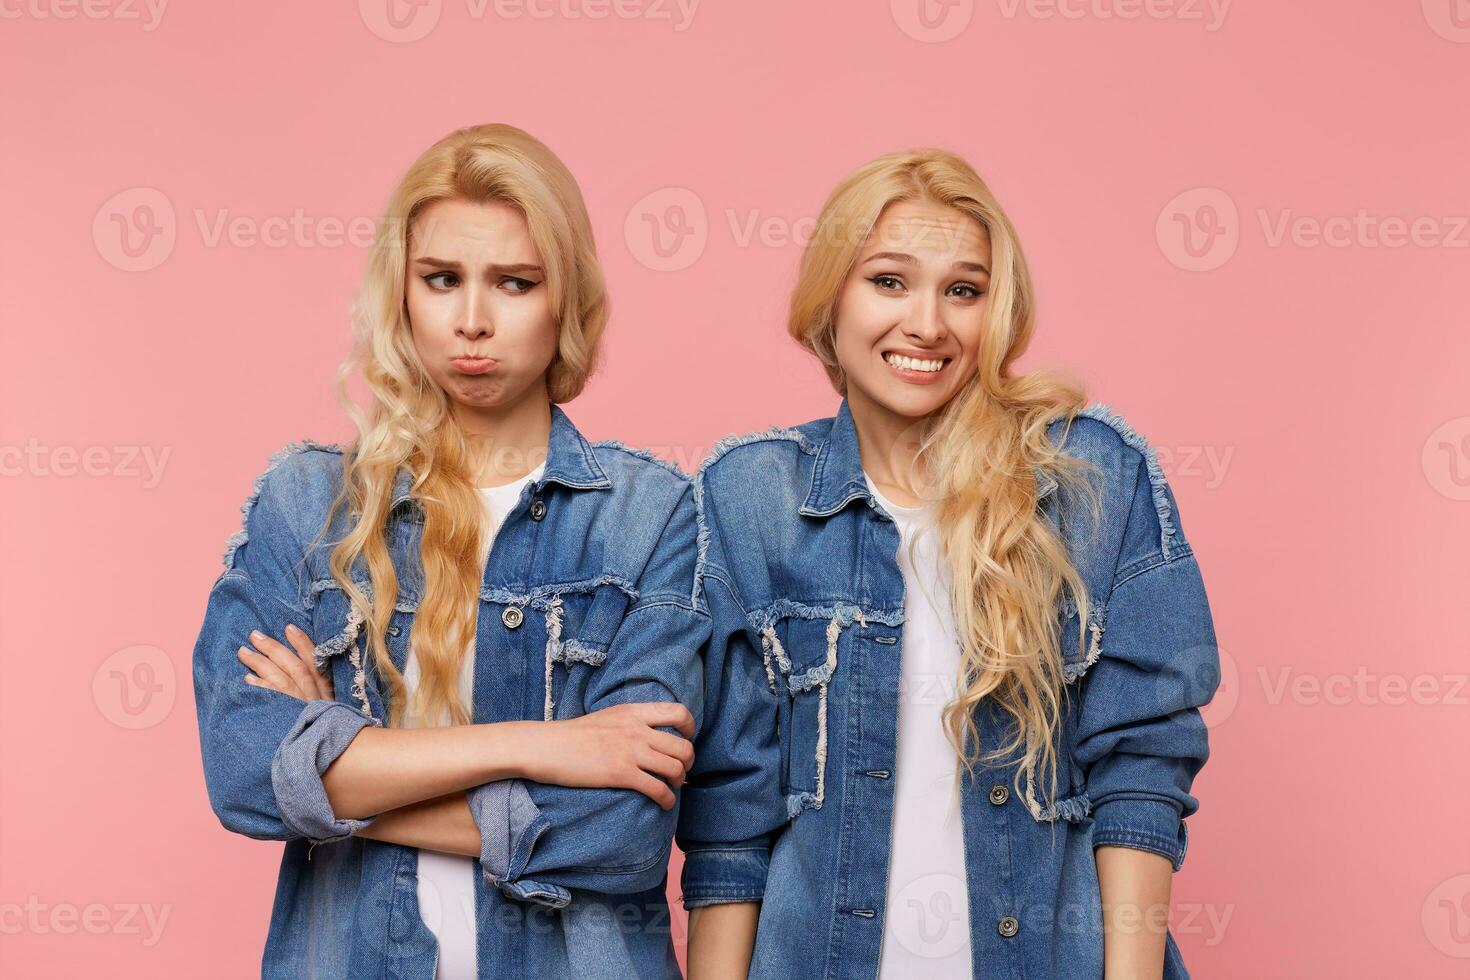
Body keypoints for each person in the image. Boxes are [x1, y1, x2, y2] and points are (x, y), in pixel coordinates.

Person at [677, 148, 1220, 979]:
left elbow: (1142, 771)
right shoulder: (751, 498)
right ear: (831, 300)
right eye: (889, 281)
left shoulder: (1092, 480)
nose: (926, 324)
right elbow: (728, 814)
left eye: (962, 290)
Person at [193, 123, 706, 980]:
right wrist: (541, 746)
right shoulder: (309, 505)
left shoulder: (648, 515)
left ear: (565, 299)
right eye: (441, 280)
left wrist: (331, 779)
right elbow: (243, 771)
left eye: (513, 283)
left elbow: (623, 835)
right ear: (402, 294)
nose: (472, 321)